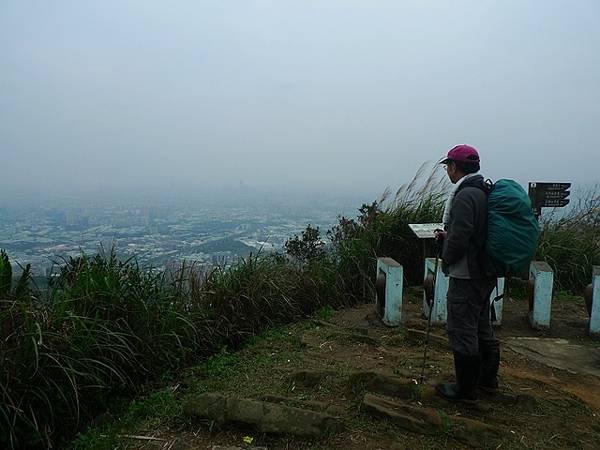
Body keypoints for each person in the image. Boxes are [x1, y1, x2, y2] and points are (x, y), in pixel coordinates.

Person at [434, 144, 500, 402]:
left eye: (448, 166)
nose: (448, 171)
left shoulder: (464, 196)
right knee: (482, 326)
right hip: (485, 271)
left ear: (455, 166)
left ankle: (466, 390)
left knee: (462, 328)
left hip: (468, 274)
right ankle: (487, 381)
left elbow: (460, 238)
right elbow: (473, 232)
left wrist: (446, 257)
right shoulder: (483, 190)